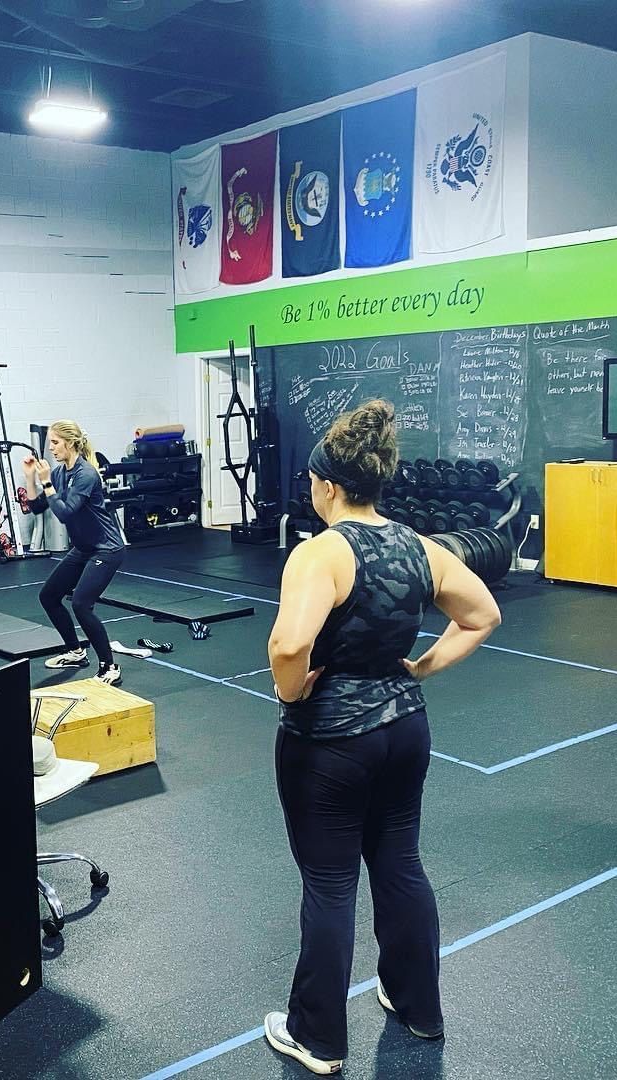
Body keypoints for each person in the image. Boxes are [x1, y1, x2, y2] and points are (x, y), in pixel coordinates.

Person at [262, 400, 501, 1075]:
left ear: (328, 486)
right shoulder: (419, 545)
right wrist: (422, 667)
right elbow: (482, 614)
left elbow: (288, 643)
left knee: (331, 882)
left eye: (312, 482)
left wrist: (290, 689)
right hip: (405, 728)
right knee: (399, 865)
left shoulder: (321, 553)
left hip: (332, 741)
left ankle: (317, 1037)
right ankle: (418, 1006)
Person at [24, 420, 127, 686]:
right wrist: (30, 478)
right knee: (49, 596)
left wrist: (46, 482)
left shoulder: (86, 474)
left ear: (70, 443)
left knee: (81, 604)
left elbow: (65, 512)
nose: (52, 449)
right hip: (83, 548)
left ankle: (109, 666)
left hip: (106, 548)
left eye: (55, 443)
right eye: (50, 444)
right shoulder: (60, 473)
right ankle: (75, 651)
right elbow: (36, 509)